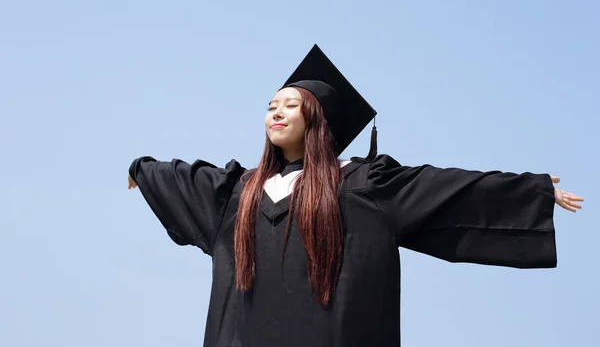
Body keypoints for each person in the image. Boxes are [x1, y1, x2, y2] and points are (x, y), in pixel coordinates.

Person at [128, 45, 583, 347]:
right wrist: (138, 172)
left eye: (290, 104)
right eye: (271, 106)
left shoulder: (364, 186)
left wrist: (534, 191)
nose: (276, 113)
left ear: (317, 119)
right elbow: (179, 177)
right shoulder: (238, 194)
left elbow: (446, 188)